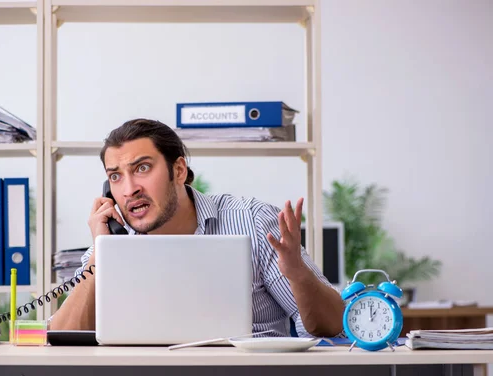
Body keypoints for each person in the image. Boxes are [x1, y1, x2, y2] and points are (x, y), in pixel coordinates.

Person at [49, 118, 345, 338]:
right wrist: (101, 255)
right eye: (115, 176)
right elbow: (64, 339)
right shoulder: (110, 241)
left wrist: (296, 274)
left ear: (178, 170)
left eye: (142, 168)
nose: (129, 190)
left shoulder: (254, 222)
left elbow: (331, 329)